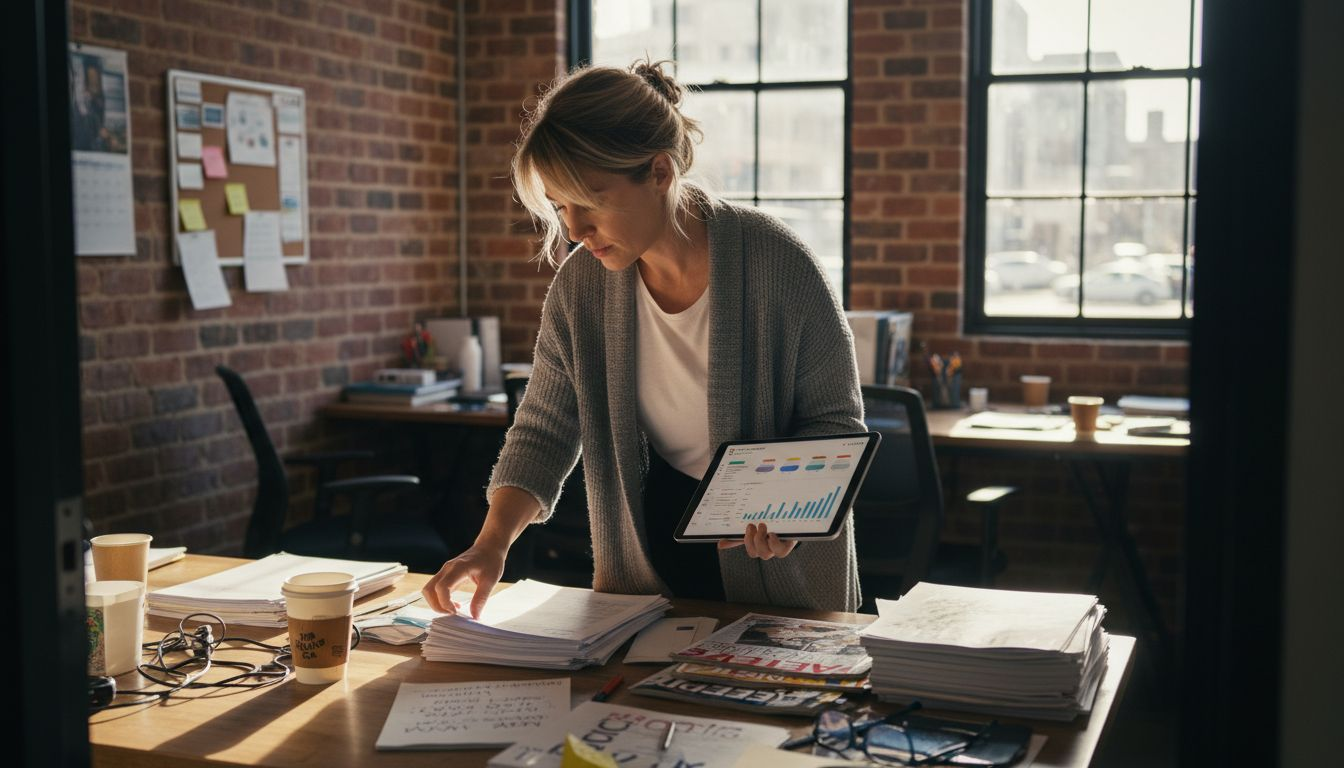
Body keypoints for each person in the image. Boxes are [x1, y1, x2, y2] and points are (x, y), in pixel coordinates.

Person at [422, 60, 864, 617]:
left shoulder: (777, 262)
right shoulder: (582, 286)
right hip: (643, 573)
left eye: (591, 200)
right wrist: (490, 546)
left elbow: (836, 423)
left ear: (659, 172)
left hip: (781, 574)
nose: (575, 230)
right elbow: (544, 429)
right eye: (560, 206)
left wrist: (789, 511)